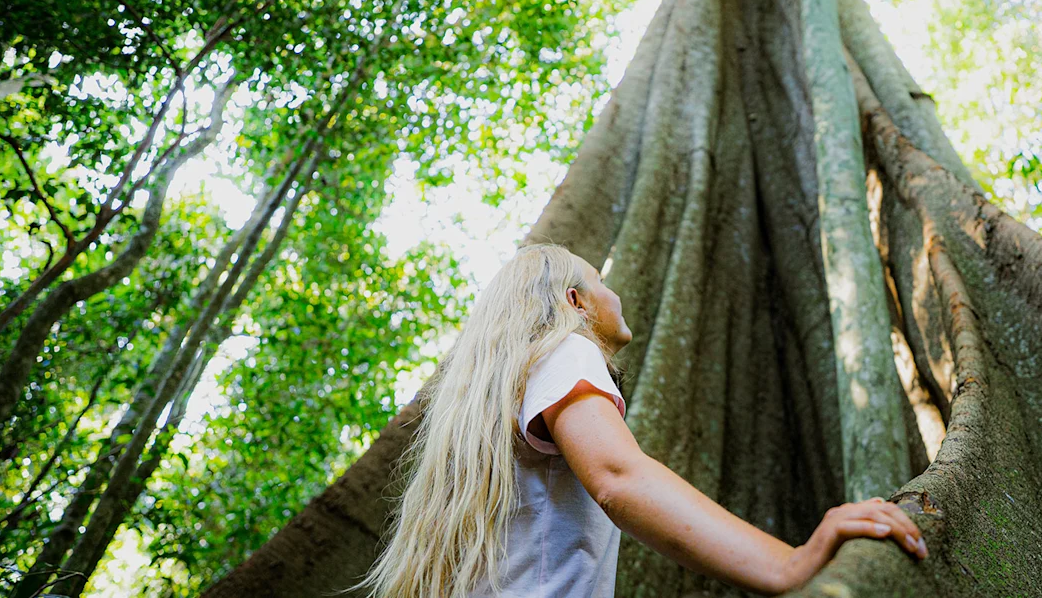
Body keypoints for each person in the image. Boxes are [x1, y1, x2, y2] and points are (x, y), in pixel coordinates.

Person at [360, 244, 926, 597]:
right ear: (576, 302)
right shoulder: (565, 350)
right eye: (601, 282)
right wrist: (789, 564)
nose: (615, 293)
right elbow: (619, 478)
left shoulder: (498, 403)